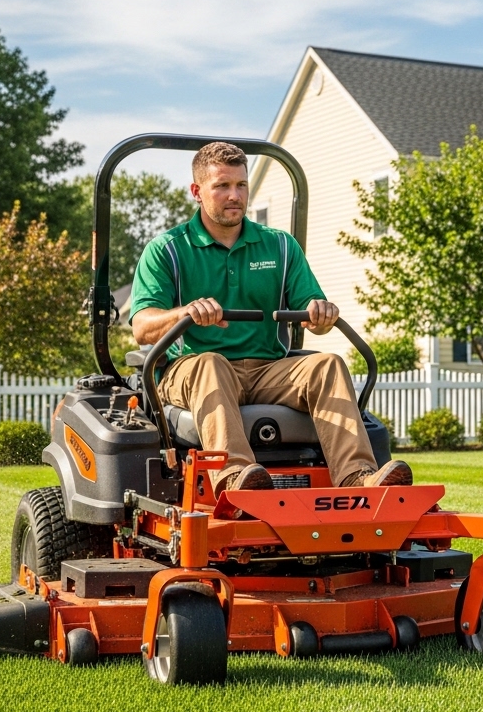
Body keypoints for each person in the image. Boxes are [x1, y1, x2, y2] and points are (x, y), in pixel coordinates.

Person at [127, 141, 412, 491]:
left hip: (268, 369)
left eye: (241, 185)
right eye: (222, 186)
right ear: (197, 192)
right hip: (193, 368)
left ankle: (358, 478)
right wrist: (185, 313)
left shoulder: (280, 245)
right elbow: (142, 327)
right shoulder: (167, 249)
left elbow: (312, 310)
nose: (235, 195)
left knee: (327, 364)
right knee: (211, 364)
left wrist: (320, 314)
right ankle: (235, 479)